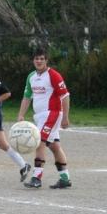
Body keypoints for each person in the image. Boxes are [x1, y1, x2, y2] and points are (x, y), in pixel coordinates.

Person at [17, 48, 72, 189]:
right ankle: (65, 178)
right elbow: (27, 97)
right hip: (39, 116)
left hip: (52, 114)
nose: (39, 61)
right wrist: (21, 114)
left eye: (42, 58)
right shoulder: (31, 77)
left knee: (39, 141)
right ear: (33, 60)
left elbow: (65, 96)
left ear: (46, 60)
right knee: (54, 146)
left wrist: (65, 117)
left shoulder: (54, 75)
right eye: (36, 58)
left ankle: (36, 177)